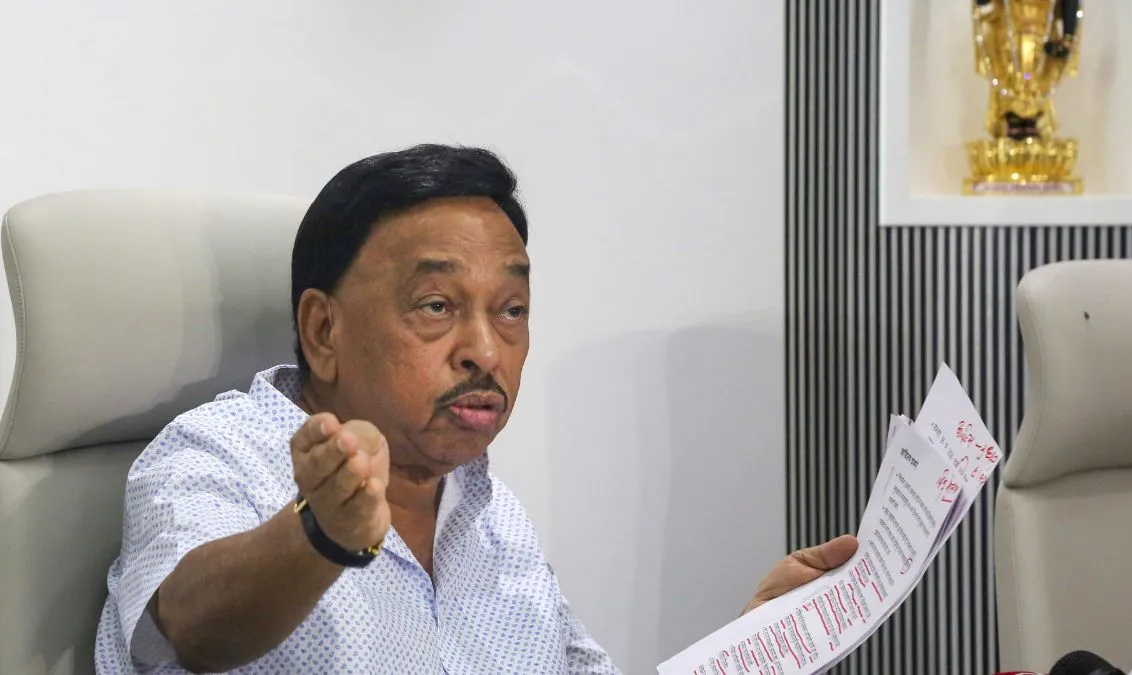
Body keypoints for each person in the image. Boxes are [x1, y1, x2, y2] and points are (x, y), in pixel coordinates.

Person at [93, 144, 858, 674]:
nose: (487, 351)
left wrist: (757, 648)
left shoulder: (490, 511)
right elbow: (191, 630)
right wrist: (321, 534)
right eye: (437, 305)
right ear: (324, 330)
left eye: (512, 309)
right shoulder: (215, 450)